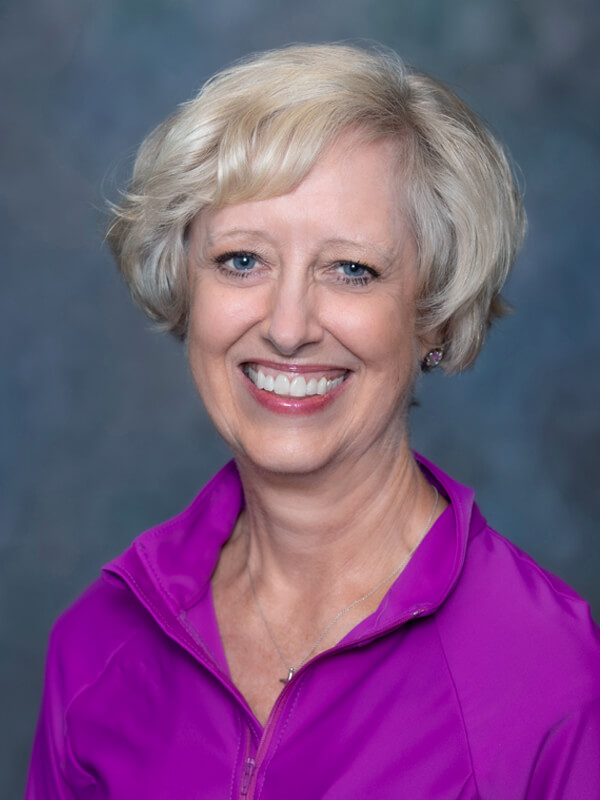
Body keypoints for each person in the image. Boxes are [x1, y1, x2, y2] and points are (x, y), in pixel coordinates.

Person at [27, 43, 600, 799]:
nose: (288, 326)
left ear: (433, 315)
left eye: (350, 269)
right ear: (184, 288)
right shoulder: (99, 640)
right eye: (241, 261)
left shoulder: (554, 676)